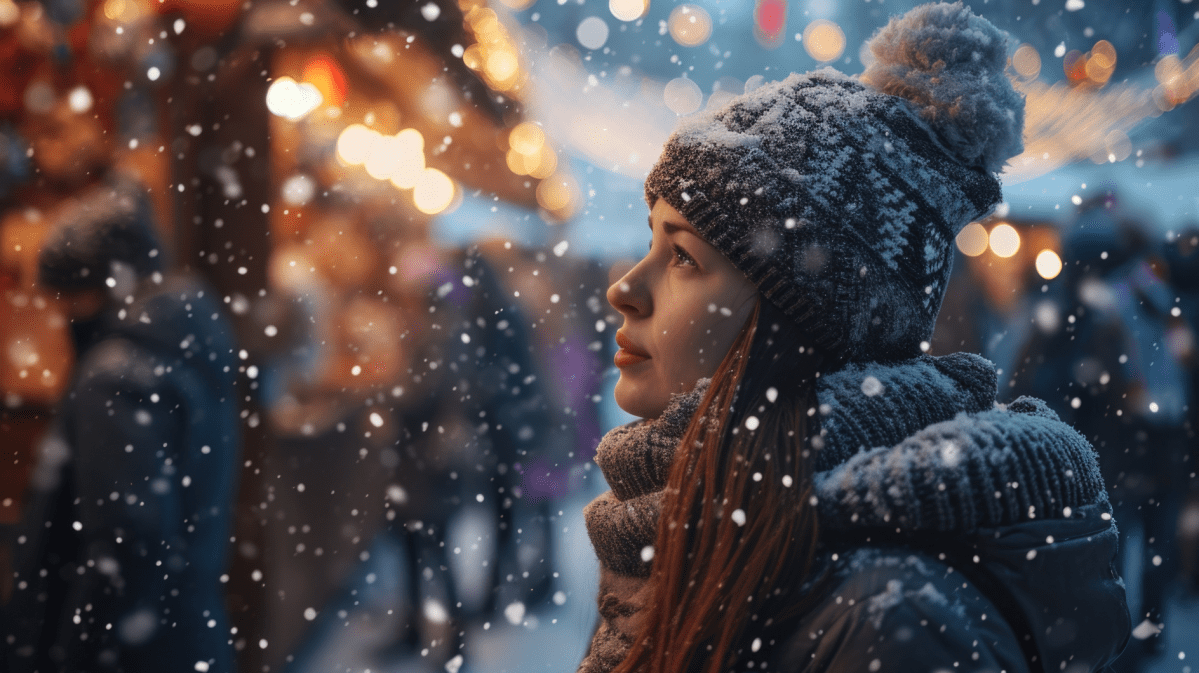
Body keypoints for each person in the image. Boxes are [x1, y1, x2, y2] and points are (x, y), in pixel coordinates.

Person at [578, 4, 1129, 673]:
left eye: (685, 257)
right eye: (649, 242)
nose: (624, 288)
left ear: (807, 320)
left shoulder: (888, 619)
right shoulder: (689, 526)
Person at [3, 179, 240, 672]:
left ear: (94, 291)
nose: (61, 317)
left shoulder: (115, 378)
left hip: (138, 654)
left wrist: (75, 653)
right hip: (187, 635)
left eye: (67, 300)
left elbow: (127, 541)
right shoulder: (184, 344)